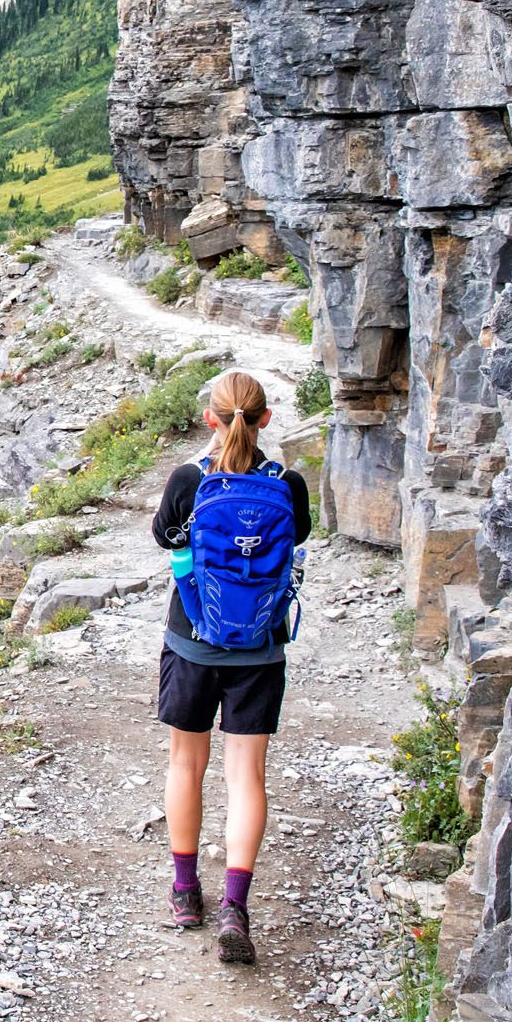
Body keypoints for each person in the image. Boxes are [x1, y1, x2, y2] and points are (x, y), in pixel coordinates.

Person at [151, 368, 311, 964]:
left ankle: (187, 892)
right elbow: (298, 540)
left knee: (185, 765)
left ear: (209, 420)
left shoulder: (190, 478)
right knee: (247, 778)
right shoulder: (287, 484)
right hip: (260, 651)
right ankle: (235, 908)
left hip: (191, 642)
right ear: (265, 420)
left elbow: (166, 539)